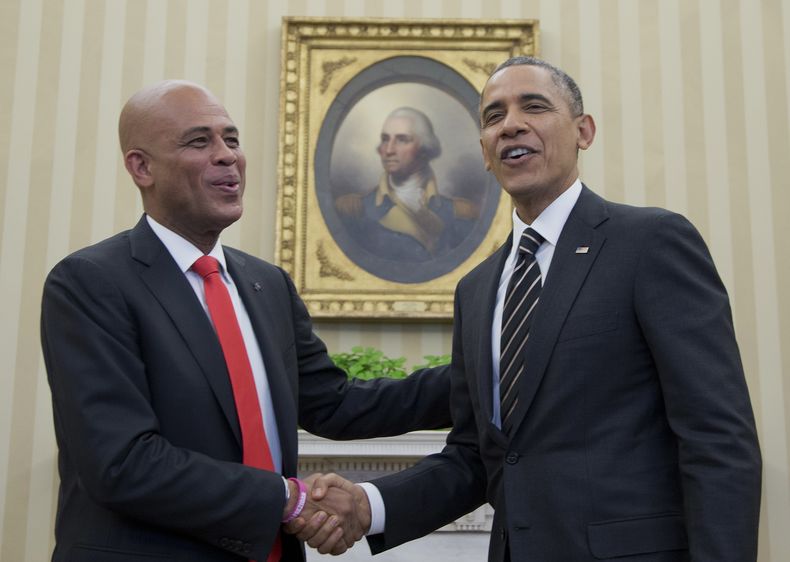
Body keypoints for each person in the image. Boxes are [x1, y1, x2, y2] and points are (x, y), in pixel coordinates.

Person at [298, 56, 763, 561]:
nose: (511, 124)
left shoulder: (650, 244)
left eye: (534, 106)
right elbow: (481, 457)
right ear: (483, 151)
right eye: (494, 116)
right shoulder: (477, 290)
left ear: (584, 131)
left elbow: (718, 439)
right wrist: (372, 505)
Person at [39, 80, 451, 562]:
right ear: (141, 166)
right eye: (200, 141)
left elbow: (335, 403)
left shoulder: (266, 283)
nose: (227, 156)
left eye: (231, 140)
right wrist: (287, 498)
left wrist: (484, 380)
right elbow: (123, 462)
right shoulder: (90, 282)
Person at [334, 107, 478, 262]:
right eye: (385, 139)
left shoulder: (461, 214)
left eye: (402, 140)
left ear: (424, 148)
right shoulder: (354, 210)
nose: (389, 150)